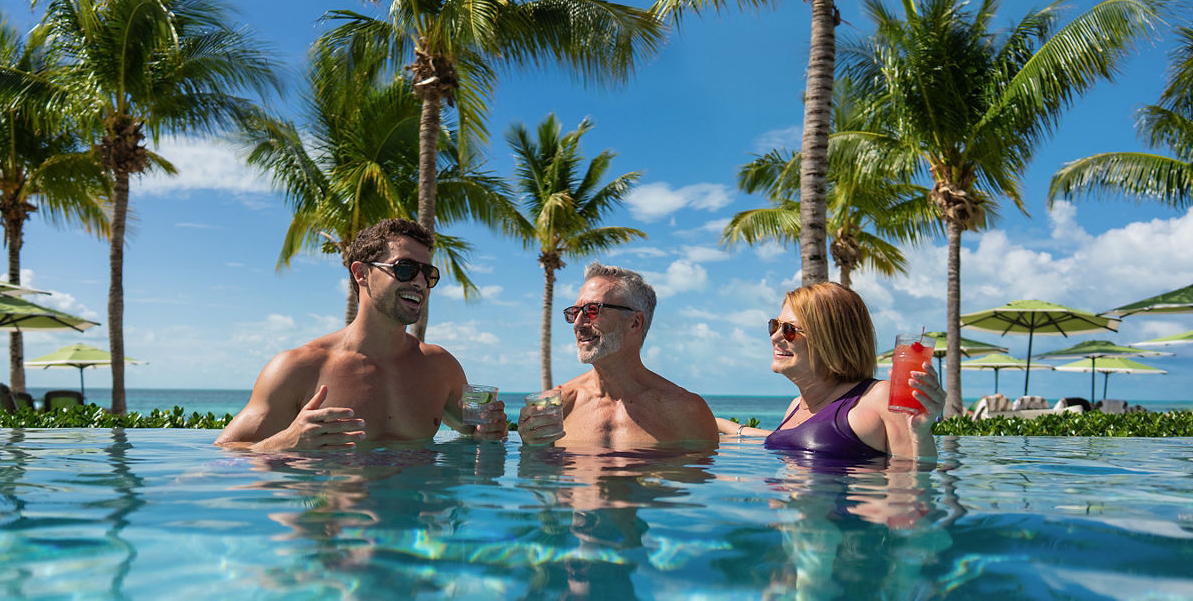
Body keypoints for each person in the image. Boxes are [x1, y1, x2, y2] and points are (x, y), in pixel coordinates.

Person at [215, 218, 507, 450]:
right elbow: (224, 456)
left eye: (427, 274)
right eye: (405, 268)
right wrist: (286, 442)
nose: (419, 281)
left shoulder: (441, 367)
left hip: (417, 521)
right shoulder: (298, 368)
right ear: (361, 273)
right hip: (340, 521)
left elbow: (475, 433)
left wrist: (491, 430)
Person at [725, 282, 942, 459]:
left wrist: (920, 437)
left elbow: (913, 491)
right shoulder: (796, 406)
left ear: (831, 339)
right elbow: (794, 438)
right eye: (775, 326)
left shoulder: (878, 398)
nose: (774, 337)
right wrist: (720, 425)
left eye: (790, 330)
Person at [517, 262, 719, 448]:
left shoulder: (686, 412)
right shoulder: (559, 406)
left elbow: (698, 483)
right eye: (574, 312)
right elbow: (537, 480)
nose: (578, 324)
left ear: (635, 323)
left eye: (592, 310)